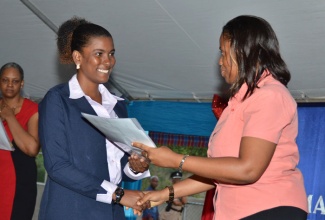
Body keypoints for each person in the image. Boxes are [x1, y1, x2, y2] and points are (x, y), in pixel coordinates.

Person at [132, 15, 308, 220]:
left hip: (268, 209)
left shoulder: (270, 95)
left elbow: (248, 169)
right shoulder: (239, 102)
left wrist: (176, 160)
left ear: (244, 52)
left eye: (224, 53)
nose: (220, 61)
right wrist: (165, 194)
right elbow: (222, 173)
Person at [38, 16, 150, 220]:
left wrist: (134, 167)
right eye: (99, 54)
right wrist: (120, 195)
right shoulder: (59, 100)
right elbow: (57, 167)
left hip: (111, 212)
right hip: (71, 210)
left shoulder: (118, 106)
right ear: (78, 57)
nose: (108, 61)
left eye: (111, 53)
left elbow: (118, 167)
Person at [0, 62, 40, 220]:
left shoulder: (32, 109)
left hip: (19, 183)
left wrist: (10, 117)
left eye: (15, 81)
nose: (10, 85)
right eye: (5, 80)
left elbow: (32, 149)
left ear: (21, 83)